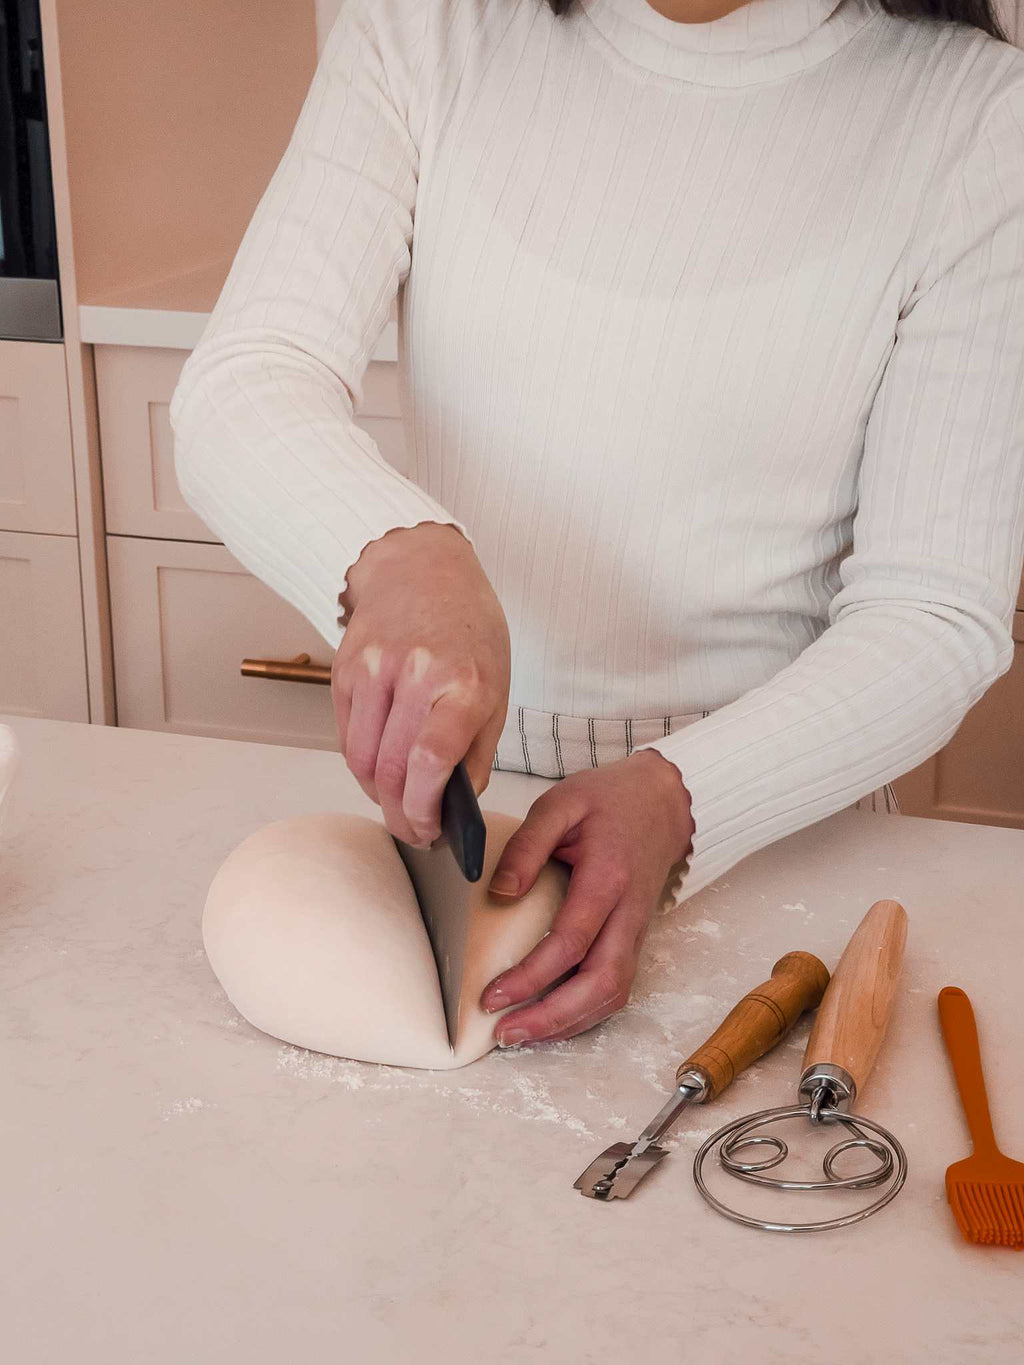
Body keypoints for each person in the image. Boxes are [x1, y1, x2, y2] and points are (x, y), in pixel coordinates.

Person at [169, 0, 1024, 1048]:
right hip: (458, 819)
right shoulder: (422, 31)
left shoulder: (979, 120)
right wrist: (401, 558)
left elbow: (933, 613)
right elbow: (246, 383)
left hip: (774, 835)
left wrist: (687, 796)